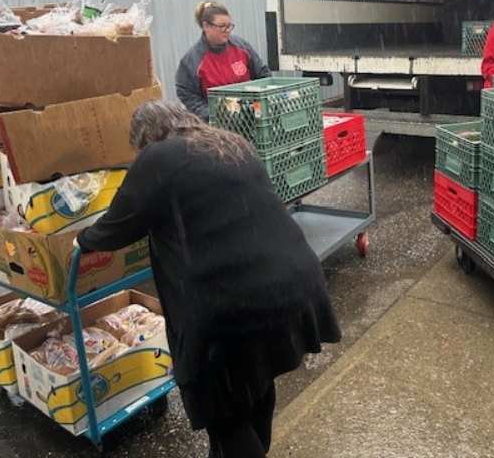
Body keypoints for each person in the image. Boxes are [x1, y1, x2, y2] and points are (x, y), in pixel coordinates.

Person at [76, 101, 341, 458]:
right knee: (256, 386)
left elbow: (117, 225)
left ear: (144, 137)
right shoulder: (231, 143)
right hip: (293, 282)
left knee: (226, 418)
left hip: (230, 307)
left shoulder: (157, 158)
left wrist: (81, 241)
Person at [176, 1, 271, 121]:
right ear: (206, 26)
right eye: (222, 26)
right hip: (217, 124)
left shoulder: (241, 47)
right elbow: (187, 94)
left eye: (229, 26)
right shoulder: (192, 60)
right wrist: (210, 115)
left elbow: (263, 74)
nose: (227, 30)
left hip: (249, 118)